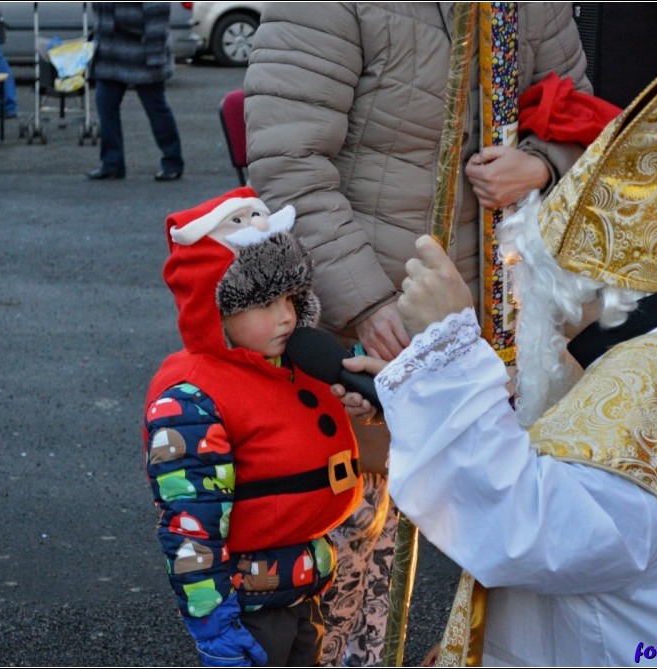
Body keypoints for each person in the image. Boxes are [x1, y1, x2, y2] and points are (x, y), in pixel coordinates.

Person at [339, 22, 657, 666]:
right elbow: (544, 441)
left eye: (526, 276)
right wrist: (415, 390)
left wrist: (447, 349)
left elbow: (516, 529)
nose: (520, 300)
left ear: (577, 289)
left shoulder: (648, 402)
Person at [243, 5, 591, 665]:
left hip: (502, 328)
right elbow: (288, 161)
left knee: (507, 555)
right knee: (350, 569)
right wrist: (369, 301)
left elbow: (581, 116)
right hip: (368, 327)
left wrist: (541, 163)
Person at [143, 187, 363, 666]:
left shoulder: (289, 363)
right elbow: (191, 528)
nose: (286, 315)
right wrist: (214, 625)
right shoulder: (191, 400)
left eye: (291, 297)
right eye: (264, 304)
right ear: (213, 307)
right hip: (246, 613)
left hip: (299, 592)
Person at [86, 2, 184, 181]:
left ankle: (172, 162)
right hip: (110, 53)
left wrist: (155, 56)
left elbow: (158, 11)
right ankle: (111, 163)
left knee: (156, 109)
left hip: (144, 51)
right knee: (105, 106)